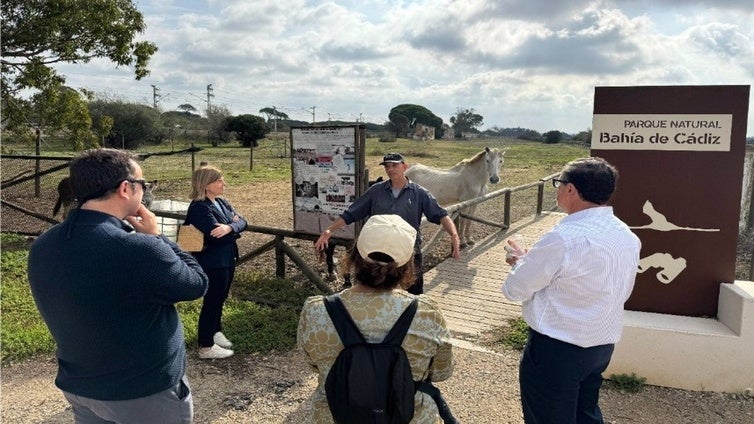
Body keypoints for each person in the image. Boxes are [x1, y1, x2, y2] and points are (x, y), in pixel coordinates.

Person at [27, 148, 209, 424]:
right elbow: (196, 284)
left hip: (79, 385)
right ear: (126, 188)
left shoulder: (44, 244)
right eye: (143, 185)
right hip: (143, 390)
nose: (145, 191)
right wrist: (157, 237)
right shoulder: (138, 248)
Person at [501, 157, 641, 424]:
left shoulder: (562, 238)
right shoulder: (626, 235)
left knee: (548, 417)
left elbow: (515, 289)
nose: (557, 189)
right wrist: (532, 261)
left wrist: (520, 263)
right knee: (586, 414)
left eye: (559, 183)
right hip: (601, 344)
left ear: (570, 190)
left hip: (557, 349)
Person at [299, 214, 455, 423]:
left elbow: (313, 364)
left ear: (354, 256)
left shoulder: (316, 311)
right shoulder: (427, 314)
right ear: (408, 265)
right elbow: (441, 372)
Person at [314, 152, 461, 294]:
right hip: (377, 256)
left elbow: (441, 214)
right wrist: (329, 231)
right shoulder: (376, 191)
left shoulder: (419, 193)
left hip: (408, 252)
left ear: (404, 167)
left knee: (413, 293)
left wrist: (454, 235)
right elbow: (351, 213)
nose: (390, 169)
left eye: (394, 165)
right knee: (373, 293)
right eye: (387, 166)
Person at [184, 165, 248, 359]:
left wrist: (229, 228)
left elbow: (244, 221)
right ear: (206, 184)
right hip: (212, 261)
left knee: (221, 297)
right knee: (212, 300)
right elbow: (214, 236)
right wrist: (234, 227)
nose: (223, 184)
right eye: (219, 180)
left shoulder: (221, 202)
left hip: (227, 258)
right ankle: (205, 345)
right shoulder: (199, 207)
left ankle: (215, 331)